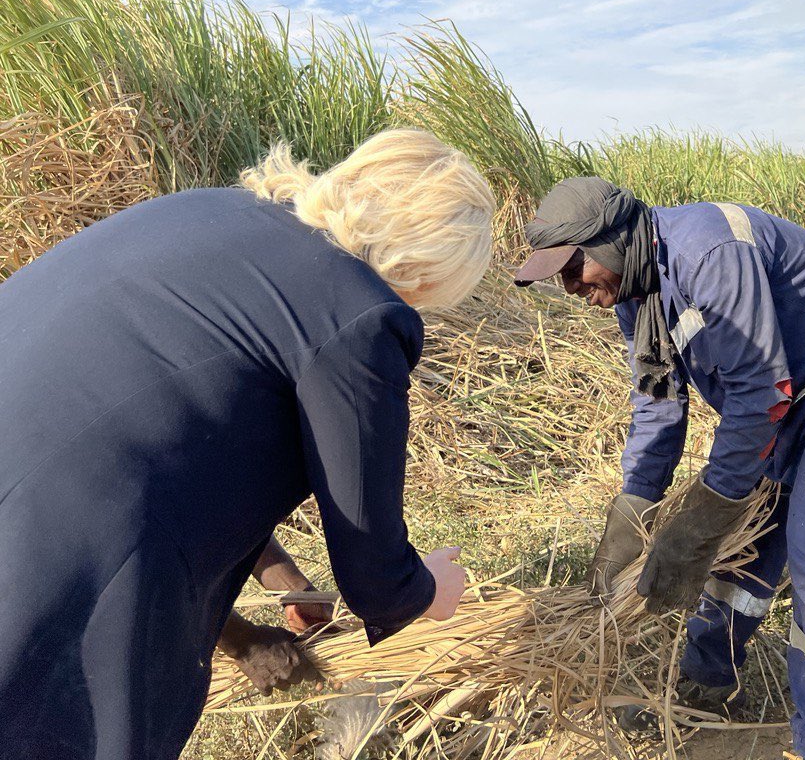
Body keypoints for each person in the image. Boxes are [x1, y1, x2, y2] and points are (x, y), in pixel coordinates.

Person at [0, 129, 492, 760]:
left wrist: (285, 579)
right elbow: (376, 569)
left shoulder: (208, 211)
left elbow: (175, 426)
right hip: (61, 540)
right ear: (430, 266)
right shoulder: (358, 312)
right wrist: (428, 590)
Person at [513, 178, 805, 760]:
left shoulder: (709, 249)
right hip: (788, 391)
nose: (570, 287)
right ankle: (706, 682)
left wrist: (703, 516)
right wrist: (632, 515)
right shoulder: (638, 295)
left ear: (614, 242)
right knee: (744, 544)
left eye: (573, 269)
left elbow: (757, 391)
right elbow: (658, 407)